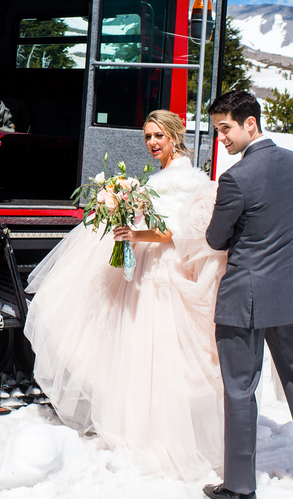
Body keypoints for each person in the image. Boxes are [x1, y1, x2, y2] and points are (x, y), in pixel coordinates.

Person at [24, 110, 227, 481]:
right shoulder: (164, 173)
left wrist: (135, 234)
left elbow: (172, 233)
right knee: (136, 347)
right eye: (148, 137)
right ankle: (139, 421)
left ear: (174, 136)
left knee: (156, 349)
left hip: (162, 271)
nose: (152, 143)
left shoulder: (184, 178)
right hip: (146, 267)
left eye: (158, 137)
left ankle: (158, 430)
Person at [201, 90, 293, 499]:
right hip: (292, 293)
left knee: (239, 388)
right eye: (218, 131)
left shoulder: (236, 178)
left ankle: (239, 485)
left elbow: (216, 239)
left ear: (251, 123)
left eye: (226, 129)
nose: (222, 139)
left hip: (244, 298)